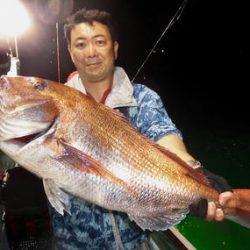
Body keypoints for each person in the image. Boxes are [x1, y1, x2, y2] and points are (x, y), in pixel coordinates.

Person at [49, 8, 233, 249]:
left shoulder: (142, 98)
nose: (91, 52)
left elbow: (165, 137)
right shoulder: (56, 105)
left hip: (135, 243)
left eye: (99, 42)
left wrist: (196, 172)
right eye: (81, 44)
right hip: (73, 244)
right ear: (71, 53)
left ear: (114, 48)